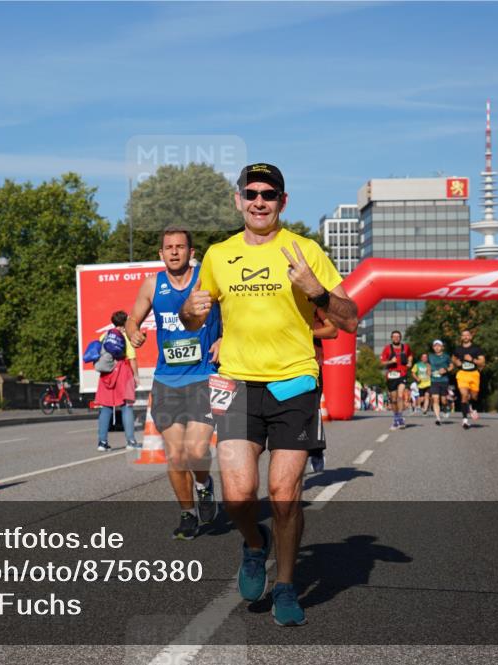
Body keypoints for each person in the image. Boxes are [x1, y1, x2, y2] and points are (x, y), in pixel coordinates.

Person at [180, 162, 358, 627]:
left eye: (269, 193)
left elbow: (350, 318)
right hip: (235, 385)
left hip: (294, 385)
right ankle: (254, 545)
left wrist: (316, 289)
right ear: (238, 200)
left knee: (284, 493)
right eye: (251, 192)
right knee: (239, 496)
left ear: (283, 201)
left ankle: (285, 585)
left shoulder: (305, 249)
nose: (260, 200)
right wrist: (189, 311)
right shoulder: (219, 255)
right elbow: (194, 319)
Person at [126, 226, 222, 540]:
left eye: (180, 246)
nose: (175, 251)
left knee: (196, 451)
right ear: (161, 253)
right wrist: (133, 331)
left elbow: (235, 314)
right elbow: (132, 318)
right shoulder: (153, 284)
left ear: (191, 252)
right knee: (176, 455)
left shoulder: (206, 281)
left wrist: (223, 338)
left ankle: (204, 485)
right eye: (169, 247)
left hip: (202, 377)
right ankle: (187, 513)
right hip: (166, 380)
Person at [95, 310, 140, 451]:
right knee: (126, 407)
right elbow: (131, 358)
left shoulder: (105, 336)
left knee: (106, 408)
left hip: (106, 374)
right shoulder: (126, 337)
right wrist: (136, 376)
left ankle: (102, 443)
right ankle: (131, 441)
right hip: (123, 373)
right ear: (125, 322)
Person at [308, 309, 338, 473]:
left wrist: (307, 332)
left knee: (312, 409)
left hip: (312, 364)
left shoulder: (313, 302)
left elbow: (333, 330)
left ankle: (316, 449)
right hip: (280, 364)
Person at [452, 329, 486, 430]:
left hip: (474, 374)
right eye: (463, 335)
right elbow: (453, 358)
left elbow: (482, 363)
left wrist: (472, 360)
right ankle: (465, 420)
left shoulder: (476, 349)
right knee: (464, 395)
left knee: (474, 396)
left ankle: (473, 407)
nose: (465, 337)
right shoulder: (458, 349)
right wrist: (456, 362)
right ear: (461, 337)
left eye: (467, 335)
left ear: (471, 337)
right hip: (462, 374)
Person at [380, 331, 412, 430]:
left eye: (398, 336)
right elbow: (382, 362)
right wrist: (391, 361)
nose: (396, 338)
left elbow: (410, 355)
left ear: (400, 338)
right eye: (394, 336)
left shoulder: (406, 347)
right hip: (391, 375)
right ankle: (396, 419)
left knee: (400, 395)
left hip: (402, 374)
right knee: (393, 399)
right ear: (391, 338)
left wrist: (410, 362)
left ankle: (401, 418)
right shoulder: (387, 348)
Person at [426, 340, 451, 425]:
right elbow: (428, 366)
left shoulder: (446, 356)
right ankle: (438, 418)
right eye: (435, 346)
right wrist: (428, 372)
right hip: (434, 380)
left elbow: (452, 366)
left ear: (442, 347)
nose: (437, 347)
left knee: (443, 400)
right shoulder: (430, 356)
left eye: (439, 346)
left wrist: (445, 370)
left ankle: (445, 407)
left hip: (444, 380)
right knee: (435, 399)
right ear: (433, 347)